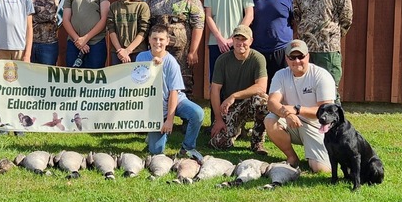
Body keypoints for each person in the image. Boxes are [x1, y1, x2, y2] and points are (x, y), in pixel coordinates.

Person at [136, 24, 204, 162]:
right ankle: (152, 137)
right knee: (156, 152)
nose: (158, 42)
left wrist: (169, 120)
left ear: (167, 41)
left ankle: (188, 147)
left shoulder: (172, 62)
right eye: (154, 38)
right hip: (156, 108)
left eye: (161, 39)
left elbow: (174, 91)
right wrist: (151, 67)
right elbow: (137, 83)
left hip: (175, 100)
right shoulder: (141, 57)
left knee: (197, 113)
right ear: (149, 40)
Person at [264, 39, 334, 172]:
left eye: (301, 57)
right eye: (292, 57)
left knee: (321, 170)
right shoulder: (281, 75)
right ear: (286, 58)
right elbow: (272, 102)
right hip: (292, 121)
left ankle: (317, 156)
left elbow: (327, 111)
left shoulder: (321, 76)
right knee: (270, 120)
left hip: (317, 126)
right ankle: (292, 157)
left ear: (308, 56)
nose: (296, 61)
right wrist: (288, 113)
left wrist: (297, 110)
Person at [293, 0, 353, 103]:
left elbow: (346, 18)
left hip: (328, 51)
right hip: (306, 50)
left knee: (330, 91)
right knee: (307, 90)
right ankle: (310, 124)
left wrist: (330, 35)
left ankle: (336, 126)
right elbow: (297, 16)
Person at [147, 0, 205, 98]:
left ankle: (186, 116)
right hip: (158, 47)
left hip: (182, 50)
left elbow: (198, 24)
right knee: (157, 78)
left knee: (183, 80)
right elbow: (146, 23)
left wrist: (193, 51)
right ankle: (162, 114)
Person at [208, 25, 269, 155]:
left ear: (251, 41)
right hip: (229, 107)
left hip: (250, 104)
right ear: (233, 40)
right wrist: (218, 119)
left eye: (244, 39)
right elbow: (214, 90)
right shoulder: (222, 60)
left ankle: (257, 142)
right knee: (218, 143)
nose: (240, 43)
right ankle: (237, 130)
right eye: (237, 39)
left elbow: (261, 87)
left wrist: (234, 95)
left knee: (263, 101)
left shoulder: (258, 58)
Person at [250, 0, 294, 90]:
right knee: (260, 87)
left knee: (281, 87)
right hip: (258, 50)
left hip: (281, 49)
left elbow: (295, 22)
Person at [62, 0, 110, 68]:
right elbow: (65, 20)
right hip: (75, 43)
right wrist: (78, 40)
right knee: (73, 79)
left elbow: (104, 19)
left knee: (95, 79)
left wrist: (86, 38)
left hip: (95, 43)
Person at [107, 0, 150, 65]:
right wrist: (120, 50)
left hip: (137, 52)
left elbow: (144, 30)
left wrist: (128, 50)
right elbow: (111, 29)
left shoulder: (142, 6)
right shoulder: (114, 7)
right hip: (118, 53)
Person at [22, 0, 60, 65]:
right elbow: (18, 15)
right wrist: (40, 9)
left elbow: (49, 15)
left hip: (47, 44)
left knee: (46, 76)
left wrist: (28, 12)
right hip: (26, 44)